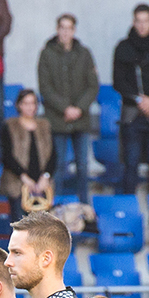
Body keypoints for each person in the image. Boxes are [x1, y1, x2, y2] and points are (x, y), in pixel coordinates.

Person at [37, 14, 99, 204]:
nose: (65, 32)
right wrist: (65, 108)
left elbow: (93, 85)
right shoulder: (46, 54)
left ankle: (84, 207)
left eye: (69, 28)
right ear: (57, 29)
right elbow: (45, 87)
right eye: (62, 28)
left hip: (81, 119)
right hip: (57, 120)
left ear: (74, 30)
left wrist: (79, 108)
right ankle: (56, 206)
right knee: (58, 166)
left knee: (83, 166)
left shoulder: (84, 53)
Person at [113, 5, 149, 195]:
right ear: (133, 22)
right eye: (138, 21)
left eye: (145, 21)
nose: (142, 25)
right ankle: (129, 204)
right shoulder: (123, 48)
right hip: (132, 113)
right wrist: (140, 100)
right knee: (131, 162)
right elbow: (118, 81)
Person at [2, 89, 58, 220]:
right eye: (26, 103)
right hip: (18, 184)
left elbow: (53, 155)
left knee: (42, 228)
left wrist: (45, 176)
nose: (30, 107)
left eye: (33, 103)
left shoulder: (45, 125)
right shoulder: (10, 125)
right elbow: (7, 155)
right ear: (19, 105)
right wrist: (24, 177)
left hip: (42, 185)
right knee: (20, 226)